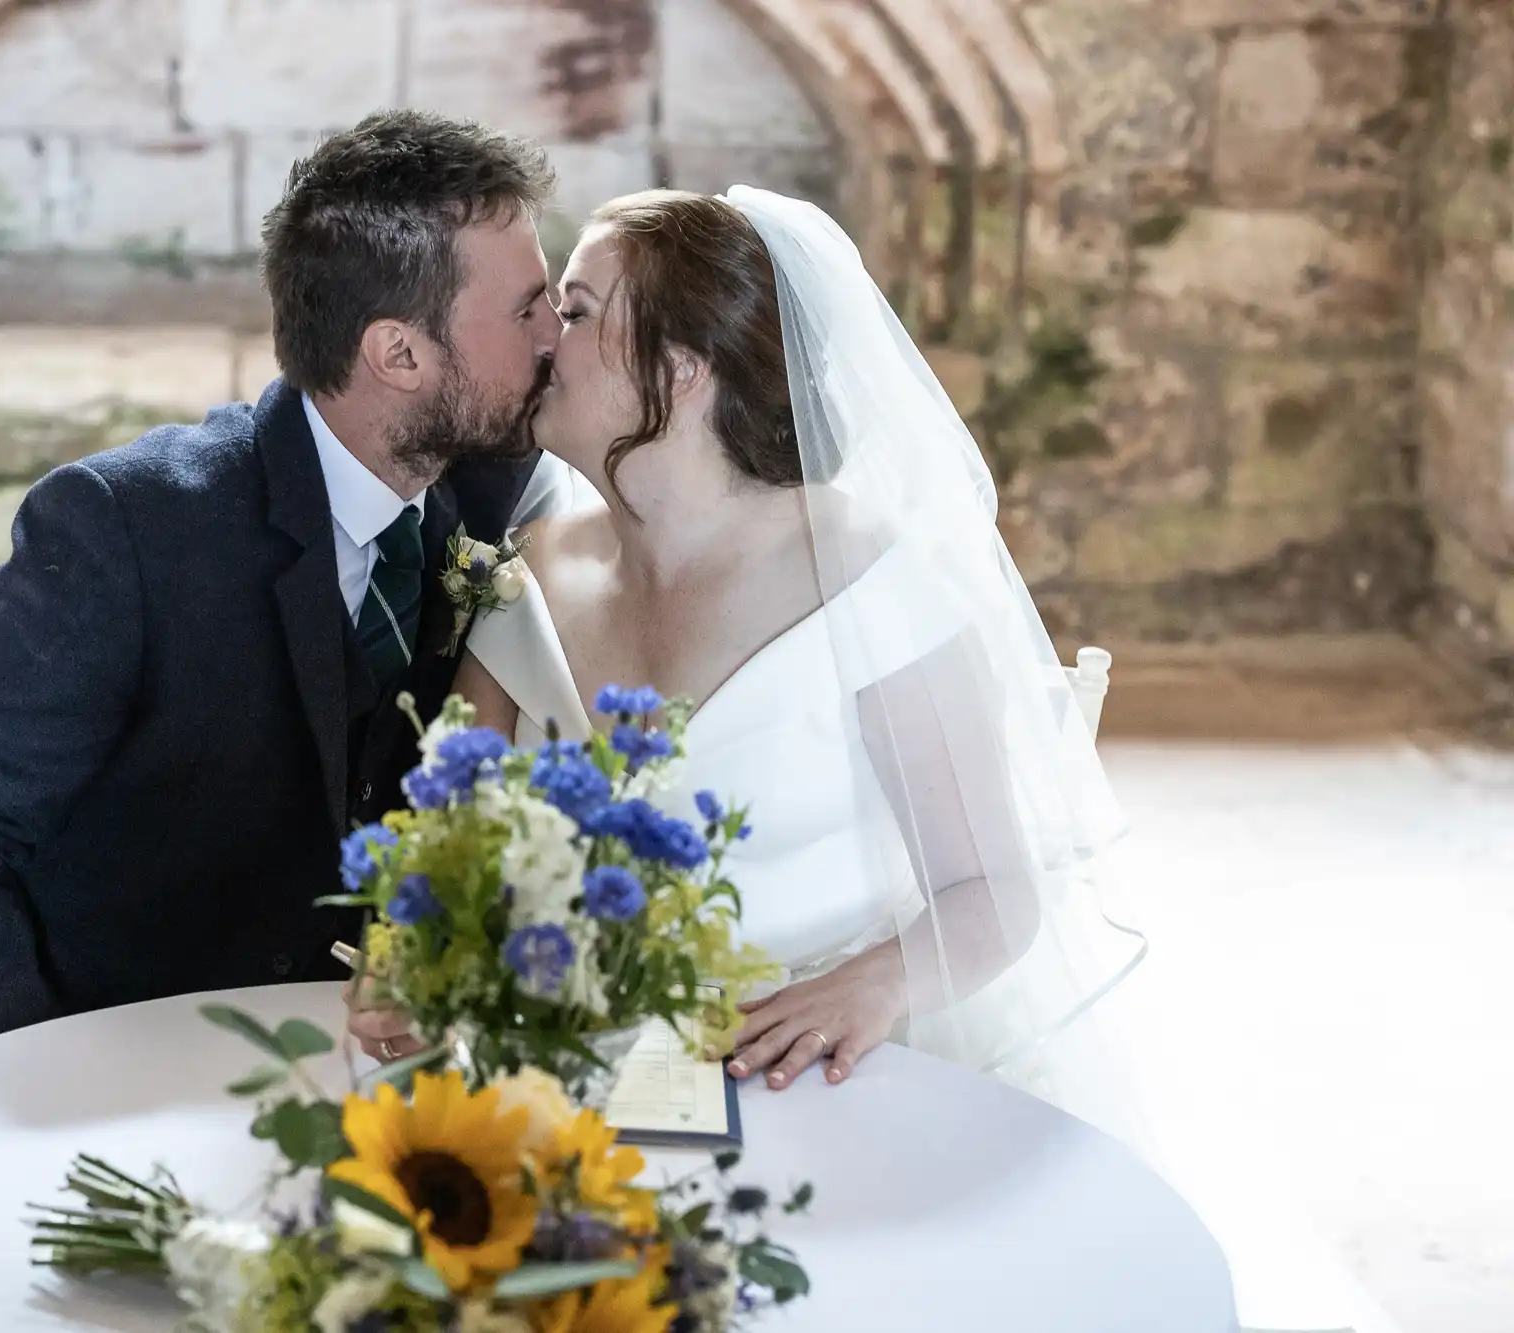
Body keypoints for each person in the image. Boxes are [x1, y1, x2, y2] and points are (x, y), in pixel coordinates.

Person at [422, 185, 1398, 1333]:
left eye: (577, 310)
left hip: (834, 1068)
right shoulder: (530, 566)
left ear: (678, 371)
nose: (546, 336)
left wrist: (869, 984)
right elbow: (450, 841)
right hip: (589, 1064)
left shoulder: (860, 569)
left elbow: (992, 887)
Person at [0, 110, 571, 1091]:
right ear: (399, 356)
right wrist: (32, 1065)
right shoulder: (122, 525)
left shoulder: (487, 491)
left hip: (336, 1072)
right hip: (92, 1059)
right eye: (527, 309)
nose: (555, 335)